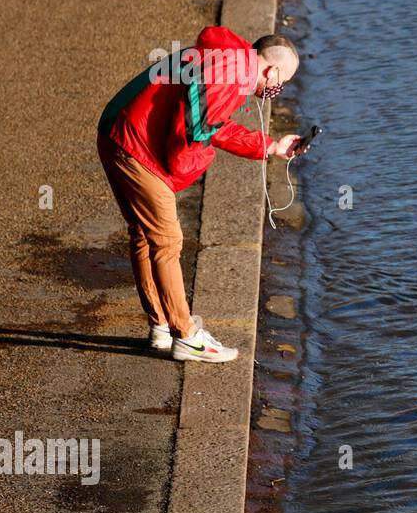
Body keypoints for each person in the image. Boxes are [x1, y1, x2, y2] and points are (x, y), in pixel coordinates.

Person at [97, 26, 301, 363]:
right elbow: (191, 135)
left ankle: (161, 325)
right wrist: (182, 172)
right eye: (283, 81)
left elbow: (210, 123)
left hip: (115, 130)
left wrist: (269, 146)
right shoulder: (233, 75)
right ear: (272, 70)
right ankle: (187, 336)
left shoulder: (225, 58)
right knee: (167, 240)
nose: (278, 90)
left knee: (144, 234)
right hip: (136, 147)